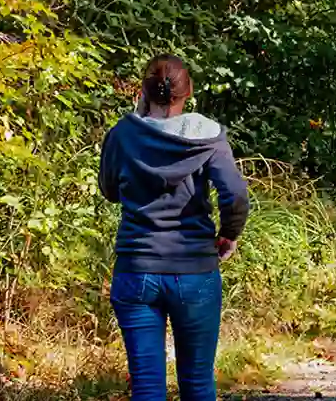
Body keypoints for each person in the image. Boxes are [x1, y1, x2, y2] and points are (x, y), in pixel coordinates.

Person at [98, 55, 250, 401]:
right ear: (189, 90)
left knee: (147, 386)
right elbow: (235, 194)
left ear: (143, 90)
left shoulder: (122, 134)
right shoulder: (208, 136)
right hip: (195, 270)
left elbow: (109, 191)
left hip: (137, 270)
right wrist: (229, 233)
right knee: (197, 384)